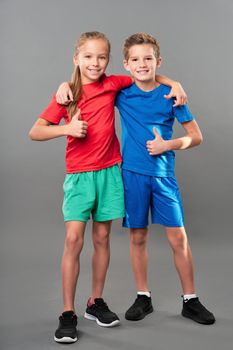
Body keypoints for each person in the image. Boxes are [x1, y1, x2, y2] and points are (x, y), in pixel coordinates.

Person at [29, 31, 187, 343]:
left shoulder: (114, 83)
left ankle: (95, 302)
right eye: (88, 57)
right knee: (74, 240)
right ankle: (67, 312)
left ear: (110, 60)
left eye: (102, 57)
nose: (95, 63)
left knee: (102, 238)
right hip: (79, 176)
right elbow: (35, 131)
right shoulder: (67, 94)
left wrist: (174, 84)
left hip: (111, 173)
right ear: (76, 59)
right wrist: (67, 128)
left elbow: (146, 73)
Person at [114, 32, 215, 325]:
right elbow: (90, 80)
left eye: (148, 58)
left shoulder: (172, 95)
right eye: (135, 59)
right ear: (126, 64)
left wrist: (167, 145)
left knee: (178, 238)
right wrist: (61, 85)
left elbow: (196, 136)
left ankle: (190, 300)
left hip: (163, 176)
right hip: (132, 175)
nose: (142, 64)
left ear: (158, 61)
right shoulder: (121, 93)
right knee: (138, 236)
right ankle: (142, 297)